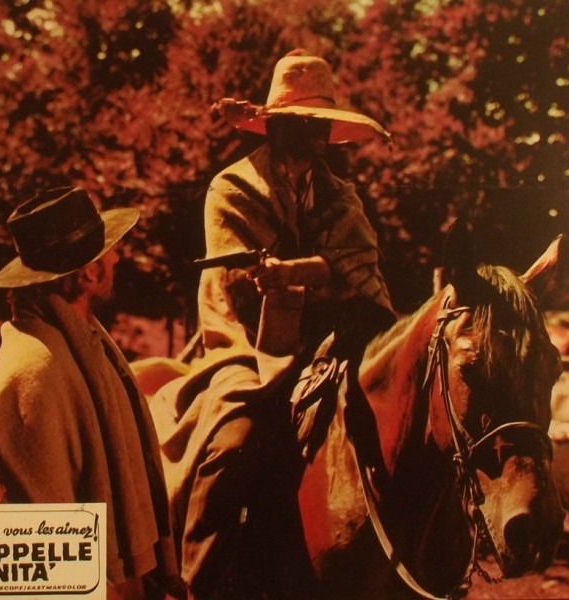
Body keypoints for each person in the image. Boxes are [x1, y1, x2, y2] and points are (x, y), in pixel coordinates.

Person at [150, 50, 395, 599]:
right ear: (279, 124)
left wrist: (300, 274)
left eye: (324, 124)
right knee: (234, 444)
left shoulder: (339, 193)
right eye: (308, 124)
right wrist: (315, 275)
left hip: (333, 341)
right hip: (248, 344)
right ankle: (197, 580)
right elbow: (237, 282)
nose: (319, 136)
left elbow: (363, 268)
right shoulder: (232, 188)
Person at [0, 186, 181, 600]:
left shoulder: (84, 342)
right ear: (88, 273)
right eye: (109, 251)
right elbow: (36, 541)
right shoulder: (34, 370)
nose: (117, 258)